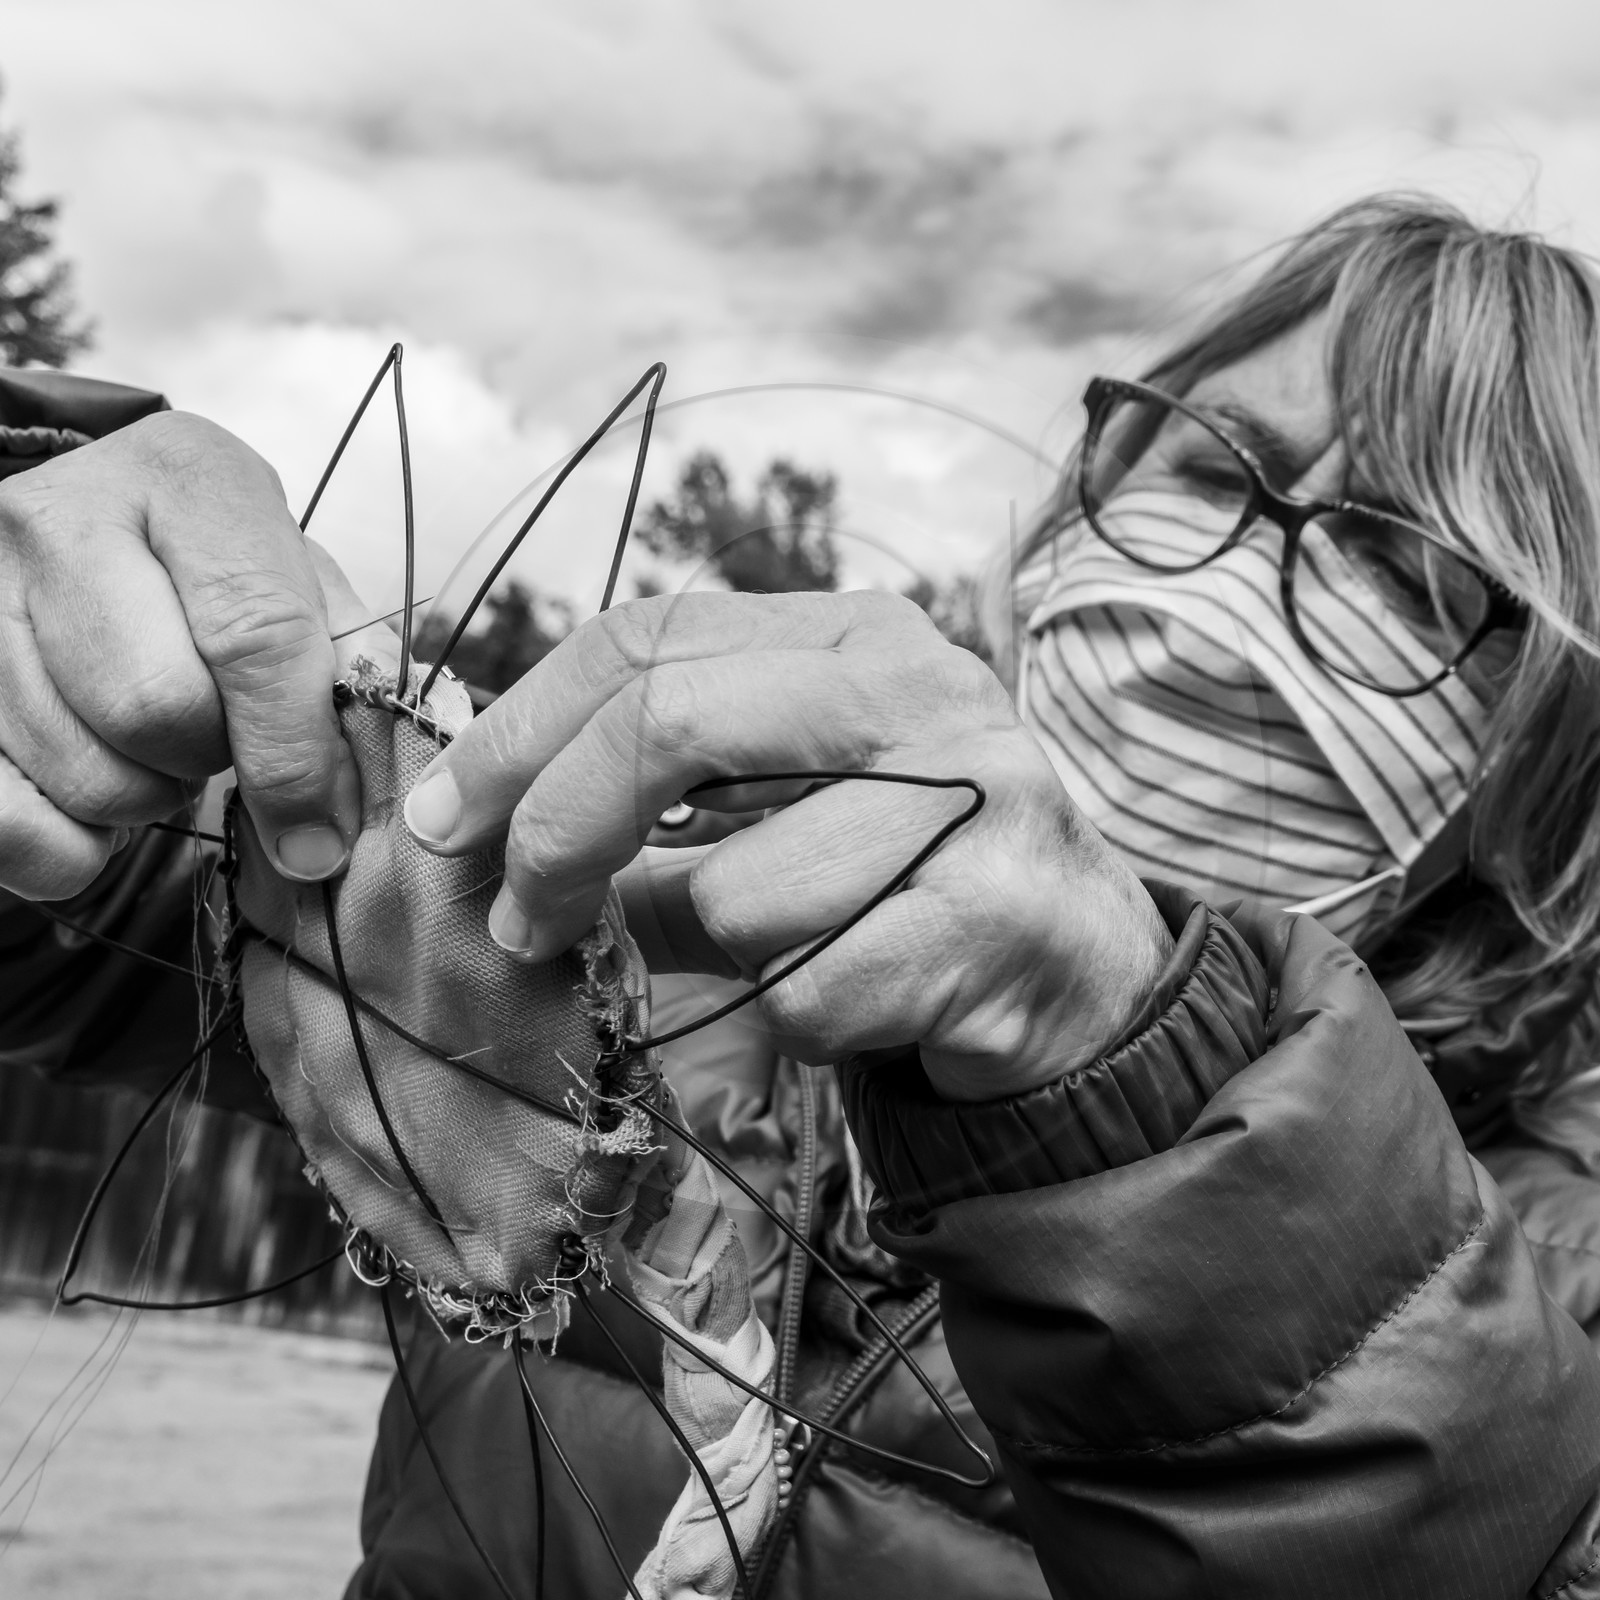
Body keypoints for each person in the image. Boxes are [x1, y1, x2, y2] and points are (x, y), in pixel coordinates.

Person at [2, 193, 1600, 1599]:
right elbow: (64, 943)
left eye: (1410, 571)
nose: (1217, 605)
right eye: (1210, 467)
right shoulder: (643, 942)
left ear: (1546, 775)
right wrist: (59, 577)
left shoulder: (1563, 1295)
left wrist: (1138, 1084)